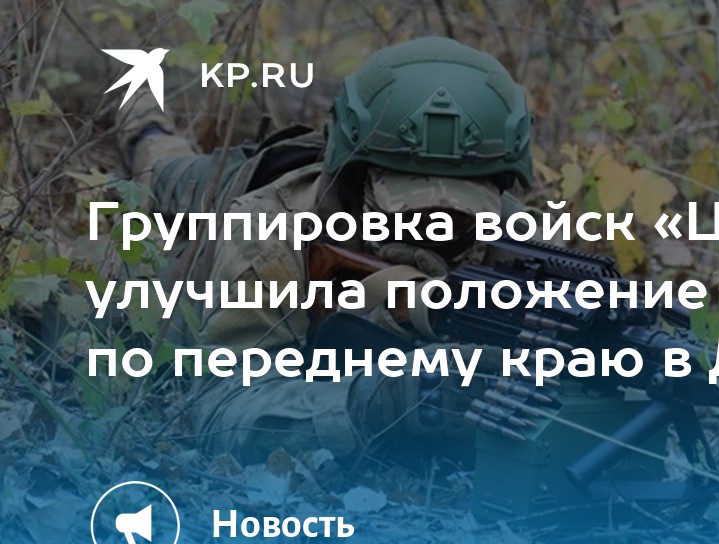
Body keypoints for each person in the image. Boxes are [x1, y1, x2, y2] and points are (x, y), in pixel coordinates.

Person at [115, 37, 534, 463]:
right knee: (158, 168)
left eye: (459, 217)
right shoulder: (268, 231)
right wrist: (371, 401)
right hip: (220, 202)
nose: (433, 232)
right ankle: (139, 106)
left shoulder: (516, 244)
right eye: (410, 213)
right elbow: (224, 407)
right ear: (356, 180)